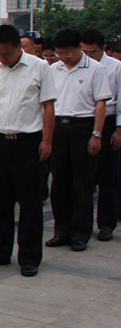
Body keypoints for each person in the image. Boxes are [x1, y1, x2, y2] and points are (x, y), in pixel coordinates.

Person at [0, 24, 55, 276]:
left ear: (19, 47)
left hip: (28, 142)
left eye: (6, 54)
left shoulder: (39, 68)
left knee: (29, 203)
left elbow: (48, 107)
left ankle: (29, 257)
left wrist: (47, 141)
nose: (1, 58)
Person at [47, 28, 110, 252]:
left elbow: (100, 103)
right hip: (58, 127)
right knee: (59, 183)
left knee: (82, 183)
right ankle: (61, 230)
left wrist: (96, 134)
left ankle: (80, 233)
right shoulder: (53, 69)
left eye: (68, 53)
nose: (64, 58)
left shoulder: (95, 69)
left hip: (83, 126)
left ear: (78, 48)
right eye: (60, 53)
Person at [79, 29, 121, 241]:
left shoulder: (115, 67)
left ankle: (106, 223)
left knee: (107, 177)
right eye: (84, 51)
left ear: (103, 48)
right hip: (86, 122)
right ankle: (81, 224)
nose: (88, 56)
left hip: (109, 122)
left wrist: (118, 130)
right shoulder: (81, 66)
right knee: (84, 177)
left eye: (92, 52)